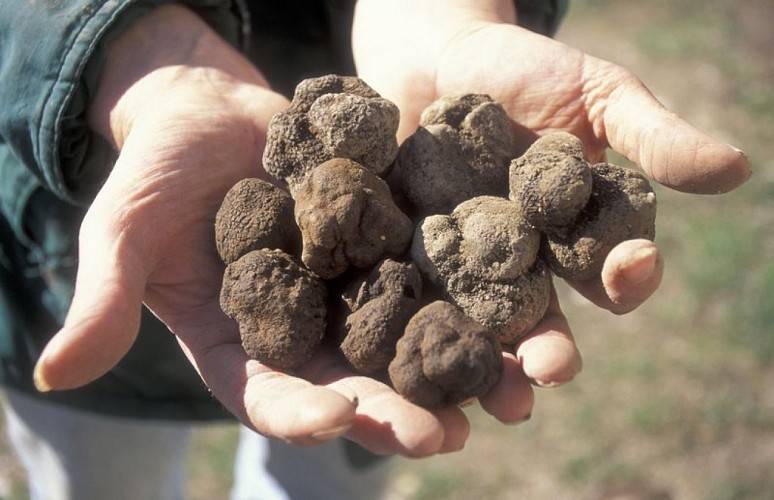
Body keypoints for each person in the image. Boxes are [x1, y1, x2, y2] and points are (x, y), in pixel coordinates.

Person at [0, 0, 751, 498]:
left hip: (363, 345)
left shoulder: (415, 217)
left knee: (331, 464)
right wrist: (133, 58)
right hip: (54, 259)